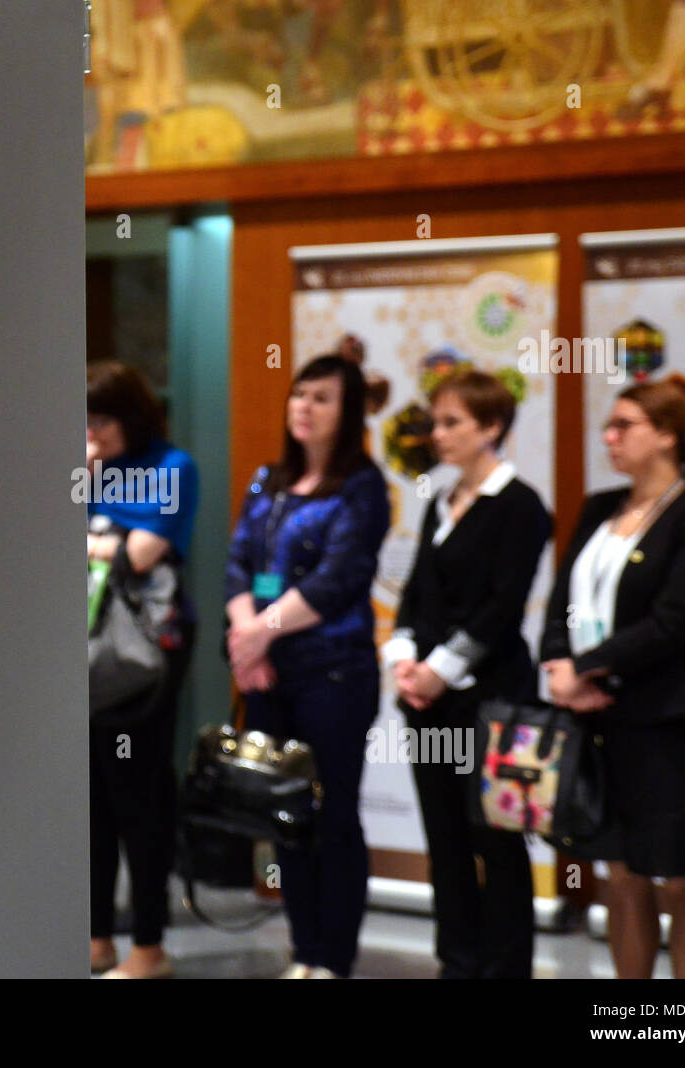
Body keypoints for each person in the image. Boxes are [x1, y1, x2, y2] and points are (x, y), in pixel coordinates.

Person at [540, 381, 685, 979]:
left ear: (667, 434)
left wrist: (588, 666)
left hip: (665, 719)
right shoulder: (601, 507)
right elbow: (559, 603)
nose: (610, 437)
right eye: (609, 425)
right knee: (620, 873)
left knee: (681, 877)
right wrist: (558, 665)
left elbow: (678, 622)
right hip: (593, 716)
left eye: (624, 424)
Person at [225, 354, 391, 978]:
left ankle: (335, 960)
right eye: (299, 394)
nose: (304, 407)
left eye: (321, 397)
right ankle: (304, 952)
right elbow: (240, 564)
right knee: (285, 816)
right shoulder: (268, 481)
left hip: (334, 675)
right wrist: (250, 642)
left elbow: (336, 581)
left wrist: (256, 637)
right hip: (268, 674)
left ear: (347, 413)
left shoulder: (362, 486)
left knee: (334, 816)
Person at [382, 370, 552, 979]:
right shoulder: (441, 500)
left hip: (494, 701)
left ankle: (506, 968)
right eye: (436, 420)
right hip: (428, 703)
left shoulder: (521, 506)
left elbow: (502, 608)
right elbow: (415, 594)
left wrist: (442, 670)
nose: (438, 433)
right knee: (445, 837)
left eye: (453, 422)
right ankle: (456, 962)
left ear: (492, 427)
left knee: (499, 841)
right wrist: (404, 660)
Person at [86, 361, 199, 980]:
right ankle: (97, 934)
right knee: (92, 796)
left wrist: (98, 537)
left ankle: (149, 946)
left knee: (140, 795)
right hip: (87, 647)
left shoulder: (170, 468)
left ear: (128, 415)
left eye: (99, 418)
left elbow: (139, 552)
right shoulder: (89, 466)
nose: (90, 430)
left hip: (145, 651)